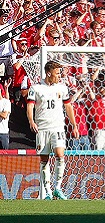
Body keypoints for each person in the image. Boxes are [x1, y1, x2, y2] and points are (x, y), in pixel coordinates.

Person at [26, 61, 79, 200]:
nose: (59, 76)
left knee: (60, 155)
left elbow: (68, 106)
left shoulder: (62, 88)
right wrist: (31, 121)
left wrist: (74, 125)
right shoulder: (36, 88)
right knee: (44, 159)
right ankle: (48, 191)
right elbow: (30, 106)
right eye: (57, 73)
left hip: (58, 127)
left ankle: (58, 188)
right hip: (43, 128)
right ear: (49, 73)